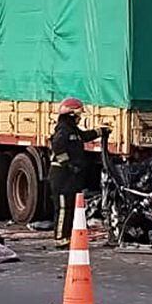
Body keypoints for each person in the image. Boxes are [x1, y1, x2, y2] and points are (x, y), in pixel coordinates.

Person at [48, 98, 102, 241]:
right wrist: (68, 165)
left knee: (71, 207)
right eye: (78, 116)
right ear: (71, 115)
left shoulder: (73, 130)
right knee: (63, 208)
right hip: (61, 175)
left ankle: (68, 236)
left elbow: (84, 136)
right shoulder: (63, 130)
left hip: (70, 176)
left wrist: (100, 132)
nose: (79, 119)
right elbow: (58, 147)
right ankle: (60, 238)